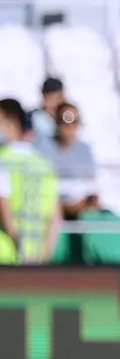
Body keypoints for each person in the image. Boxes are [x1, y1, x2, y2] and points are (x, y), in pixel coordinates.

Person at [0, 98, 63, 265]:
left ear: (11, 123)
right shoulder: (45, 164)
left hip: (6, 254)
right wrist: (45, 256)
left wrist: (20, 249)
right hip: (38, 256)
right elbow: (55, 216)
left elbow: (4, 208)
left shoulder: (3, 160)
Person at [36, 102, 100, 218]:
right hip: (47, 211)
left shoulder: (85, 151)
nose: (70, 129)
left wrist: (90, 206)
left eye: (75, 123)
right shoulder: (41, 147)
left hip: (79, 212)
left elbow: (93, 188)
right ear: (56, 123)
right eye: (65, 124)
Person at [29, 77, 65, 143]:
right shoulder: (32, 119)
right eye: (49, 99)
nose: (54, 103)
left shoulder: (70, 118)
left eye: (57, 99)